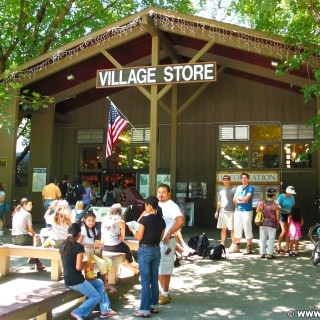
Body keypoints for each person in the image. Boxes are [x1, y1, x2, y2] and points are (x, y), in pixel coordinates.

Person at [59, 223, 118, 319]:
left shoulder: (63, 246)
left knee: (99, 283)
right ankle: (78, 312)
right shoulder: (78, 247)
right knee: (96, 296)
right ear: (79, 234)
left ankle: (105, 310)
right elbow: (78, 267)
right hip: (76, 280)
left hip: (67, 279)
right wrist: (88, 264)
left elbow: (63, 264)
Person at [129, 196, 166, 317]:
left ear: (149, 206)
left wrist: (132, 230)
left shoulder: (144, 220)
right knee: (154, 279)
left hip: (145, 249)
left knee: (145, 280)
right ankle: (154, 305)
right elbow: (160, 237)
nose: (145, 208)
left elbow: (139, 237)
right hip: (156, 249)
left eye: (145, 205)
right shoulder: (162, 220)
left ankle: (144, 310)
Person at [157, 184, 184, 305]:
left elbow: (180, 221)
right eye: (159, 192)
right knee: (158, 268)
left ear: (169, 194)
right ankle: (163, 292)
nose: (161, 194)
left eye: (163, 192)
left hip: (167, 242)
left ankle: (165, 293)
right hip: (156, 241)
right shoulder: (156, 204)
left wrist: (169, 233)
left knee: (165, 268)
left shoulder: (172, 206)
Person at [78, 211, 116, 294]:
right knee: (102, 263)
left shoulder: (93, 230)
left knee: (109, 262)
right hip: (86, 254)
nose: (91, 223)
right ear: (85, 220)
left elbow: (95, 244)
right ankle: (105, 284)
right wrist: (92, 245)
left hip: (93, 252)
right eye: (89, 220)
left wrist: (99, 245)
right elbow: (79, 243)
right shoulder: (83, 229)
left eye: (93, 221)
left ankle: (103, 280)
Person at [101, 203, 139, 274]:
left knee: (124, 249)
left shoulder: (104, 219)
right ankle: (134, 265)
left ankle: (134, 266)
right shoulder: (121, 221)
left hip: (104, 246)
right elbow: (122, 237)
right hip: (114, 246)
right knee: (126, 248)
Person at [11, 198, 45, 270]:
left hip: (14, 239)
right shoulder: (27, 214)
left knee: (33, 239)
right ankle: (36, 261)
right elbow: (31, 229)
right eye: (29, 205)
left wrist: (28, 232)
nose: (31, 206)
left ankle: (33, 258)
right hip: (22, 239)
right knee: (36, 240)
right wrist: (34, 234)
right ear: (24, 205)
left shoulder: (16, 213)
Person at [232, 172, 255, 255]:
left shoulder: (250, 187)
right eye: (242, 178)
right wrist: (240, 199)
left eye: (245, 178)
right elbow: (234, 199)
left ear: (248, 179)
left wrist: (240, 199)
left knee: (247, 228)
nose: (244, 179)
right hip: (238, 210)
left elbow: (246, 199)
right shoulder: (238, 188)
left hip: (247, 211)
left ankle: (249, 247)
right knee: (237, 228)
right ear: (241, 179)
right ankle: (237, 247)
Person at [256, 188, 280, 259]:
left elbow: (257, 211)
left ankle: (262, 253)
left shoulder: (262, 202)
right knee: (271, 238)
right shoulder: (276, 203)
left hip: (263, 222)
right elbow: (278, 214)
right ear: (273, 196)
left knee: (263, 238)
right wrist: (277, 222)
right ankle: (270, 254)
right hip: (272, 222)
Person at [215, 174, 235, 250]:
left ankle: (233, 244)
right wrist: (217, 211)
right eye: (224, 179)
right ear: (223, 181)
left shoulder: (233, 190)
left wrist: (235, 211)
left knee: (232, 229)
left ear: (229, 180)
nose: (226, 181)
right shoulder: (221, 191)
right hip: (222, 212)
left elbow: (235, 201)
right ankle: (222, 244)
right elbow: (219, 202)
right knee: (223, 228)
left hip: (231, 211)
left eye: (227, 179)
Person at [276, 186, 296, 254]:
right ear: (286, 191)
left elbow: (293, 205)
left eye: (292, 193)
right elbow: (278, 207)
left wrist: (291, 213)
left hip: (289, 215)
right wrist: (286, 210)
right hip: (282, 214)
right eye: (290, 193)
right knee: (284, 231)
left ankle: (287, 248)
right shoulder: (281, 196)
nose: (291, 194)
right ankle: (278, 245)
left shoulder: (292, 197)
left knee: (288, 232)